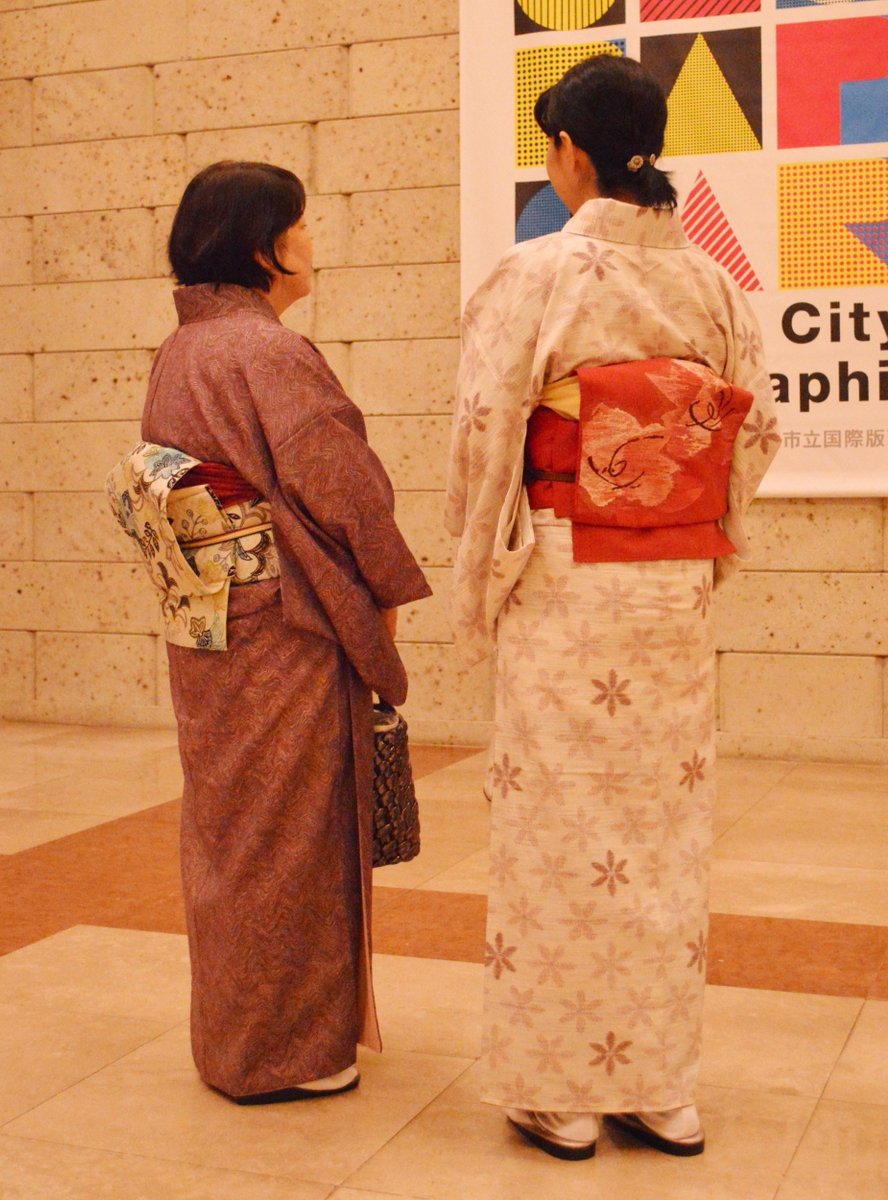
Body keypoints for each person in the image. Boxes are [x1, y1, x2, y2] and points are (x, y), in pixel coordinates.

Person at [446, 56, 780, 1160]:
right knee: (660, 829)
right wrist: (698, 544)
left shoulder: (538, 272)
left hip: (564, 579)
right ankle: (658, 1086)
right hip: (669, 588)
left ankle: (562, 1092)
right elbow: (753, 431)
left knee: (557, 826)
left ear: (570, 153)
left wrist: (481, 568)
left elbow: (485, 427)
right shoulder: (712, 284)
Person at [107, 161, 431, 1104]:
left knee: (231, 830)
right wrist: (383, 588)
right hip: (284, 627)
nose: (312, 242)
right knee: (292, 831)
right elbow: (345, 490)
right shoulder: (266, 351)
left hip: (211, 622)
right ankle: (288, 1051)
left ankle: (236, 1041)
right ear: (264, 249)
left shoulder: (185, 349)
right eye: (301, 225)